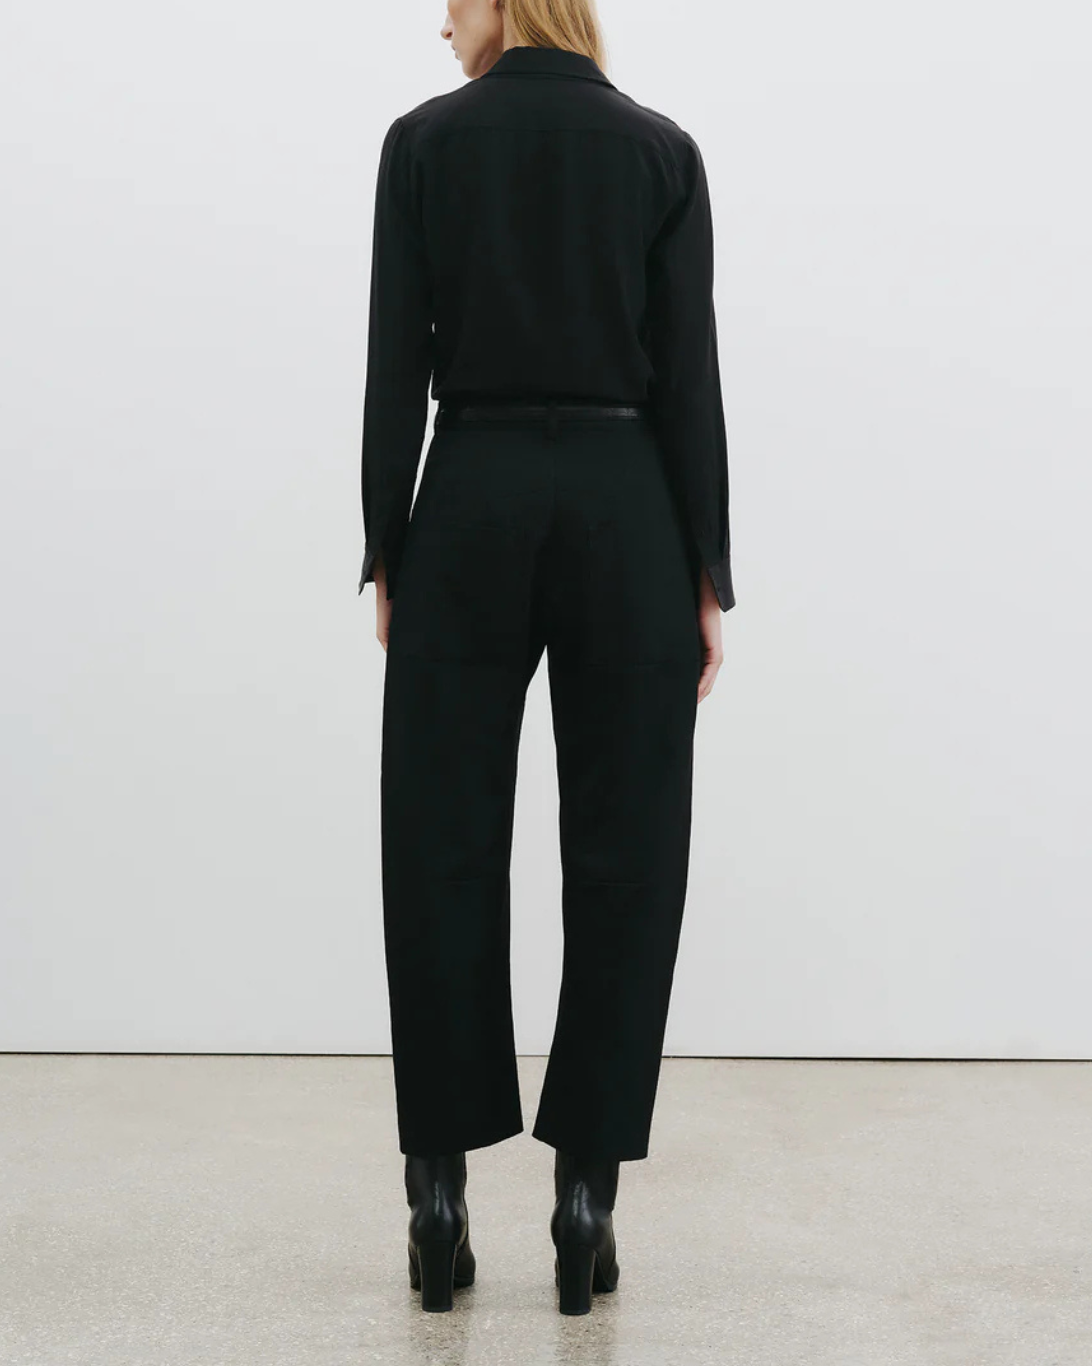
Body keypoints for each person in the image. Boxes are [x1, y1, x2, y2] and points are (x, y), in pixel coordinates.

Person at [357, 0, 735, 1315]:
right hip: (629, 502)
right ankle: (585, 1197)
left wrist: (387, 544)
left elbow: (395, 365)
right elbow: (689, 374)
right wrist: (707, 570)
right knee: (630, 846)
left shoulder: (422, 146)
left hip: (471, 490)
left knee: (438, 837)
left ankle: (438, 1193)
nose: (439, 23)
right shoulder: (661, 153)